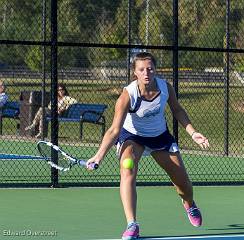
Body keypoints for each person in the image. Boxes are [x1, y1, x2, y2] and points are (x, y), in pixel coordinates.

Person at [86, 52, 210, 240]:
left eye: (150, 69)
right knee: (127, 168)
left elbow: (177, 109)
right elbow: (113, 130)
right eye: (141, 69)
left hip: (160, 137)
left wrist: (193, 133)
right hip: (133, 137)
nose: (146, 73)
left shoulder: (165, 87)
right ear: (134, 72)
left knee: (183, 183)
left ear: (156, 70)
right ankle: (132, 224)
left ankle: (189, 204)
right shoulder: (127, 95)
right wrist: (99, 155)